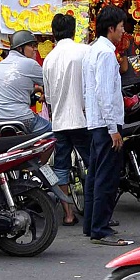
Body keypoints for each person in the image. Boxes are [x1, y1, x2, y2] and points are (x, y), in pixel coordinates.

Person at [83, 7, 131, 246]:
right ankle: (100, 228)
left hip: (96, 121)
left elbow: (90, 90)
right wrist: (113, 128)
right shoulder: (104, 53)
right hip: (105, 123)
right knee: (106, 176)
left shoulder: (94, 50)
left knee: (95, 174)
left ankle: (92, 224)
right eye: (121, 26)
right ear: (111, 28)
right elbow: (104, 92)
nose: (123, 31)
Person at [43, 13, 88, 226]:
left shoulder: (49, 59)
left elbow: (49, 98)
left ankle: (68, 214)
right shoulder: (84, 52)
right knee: (93, 164)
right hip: (82, 120)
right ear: (74, 30)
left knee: (60, 168)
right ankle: (94, 211)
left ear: (53, 33)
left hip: (60, 122)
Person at [0, 30, 50, 140]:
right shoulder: (30, 64)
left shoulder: (1, 65)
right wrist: (46, 95)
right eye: (32, 46)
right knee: (52, 133)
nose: (35, 49)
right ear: (20, 48)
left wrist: (37, 89)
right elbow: (51, 84)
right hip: (20, 119)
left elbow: (12, 87)